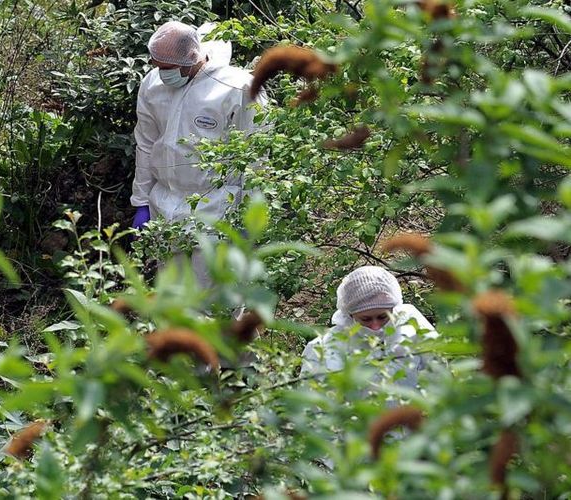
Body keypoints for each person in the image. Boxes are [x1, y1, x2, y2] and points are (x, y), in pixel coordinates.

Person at [130, 20, 267, 286]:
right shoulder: (153, 84)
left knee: (213, 301)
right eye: (156, 65)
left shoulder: (238, 89)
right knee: (171, 296)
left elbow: (256, 158)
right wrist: (141, 202)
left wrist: (250, 219)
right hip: (164, 206)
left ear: (191, 59)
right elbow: (146, 144)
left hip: (216, 210)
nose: (160, 73)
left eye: (167, 68)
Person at [301, 266, 438, 387]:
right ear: (350, 315)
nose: (375, 326)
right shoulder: (325, 348)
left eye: (383, 317)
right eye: (365, 319)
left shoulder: (412, 328)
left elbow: (439, 375)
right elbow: (311, 403)